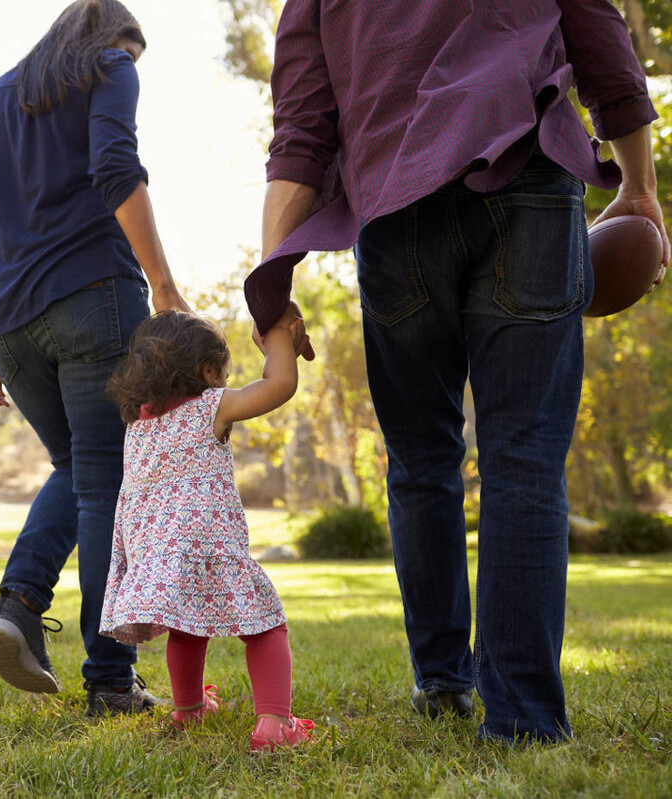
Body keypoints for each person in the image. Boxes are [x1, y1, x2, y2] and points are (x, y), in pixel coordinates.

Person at [252, 1, 669, 744]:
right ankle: (523, 718)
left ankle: (442, 682)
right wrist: (639, 186)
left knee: (420, 461)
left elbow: (302, 132)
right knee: (525, 459)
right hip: (527, 180)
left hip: (393, 202)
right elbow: (602, 39)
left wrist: (273, 282)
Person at [0, 0, 189, 717]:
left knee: (78, 470)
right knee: (107, 480)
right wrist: (165, 284)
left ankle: (19, 604)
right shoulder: (110, 65)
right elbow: (116, 168)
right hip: (92, 300)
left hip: (6, 321)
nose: (130, 66)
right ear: (111, 40)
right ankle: (111, 677)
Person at [99, 308, 316, 751]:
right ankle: (275, 725)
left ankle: (189, 709)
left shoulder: (137, 425)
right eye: (224, 370)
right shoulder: (210, 408)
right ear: (206, 370)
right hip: (210, 546)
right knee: (266, 626)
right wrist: (275, 341)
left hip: (157, 555)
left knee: (186, 627)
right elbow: (279, 385)